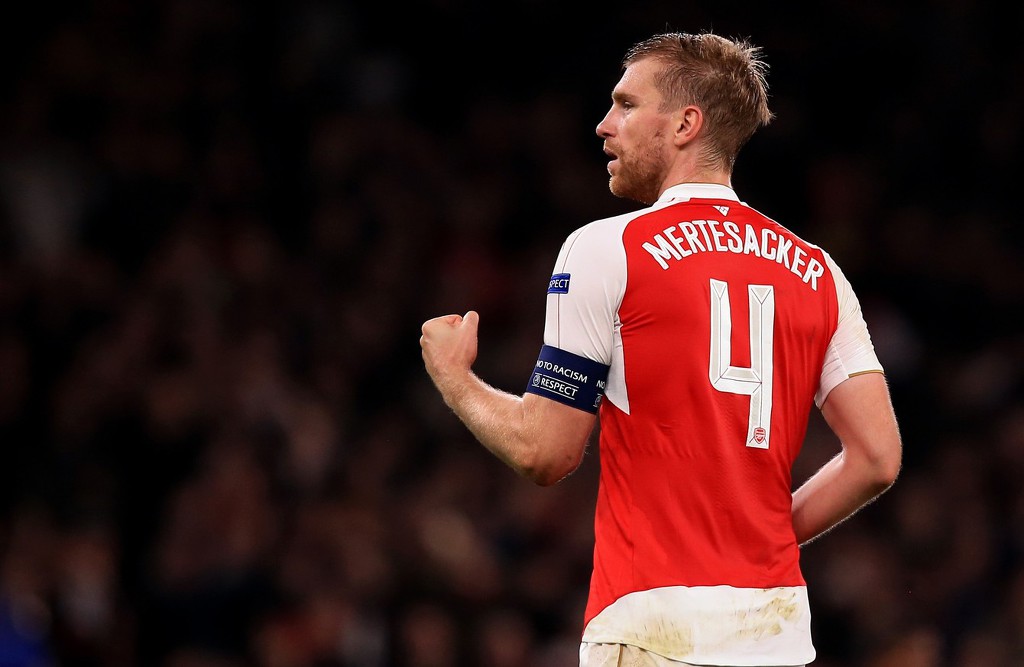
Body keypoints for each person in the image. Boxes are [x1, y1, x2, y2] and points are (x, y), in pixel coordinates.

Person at [419, 31, 902, 667]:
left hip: (651, 623)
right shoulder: (818, 271)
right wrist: (763, 537)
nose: (604, 125)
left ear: (684, 125)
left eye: (626, 105)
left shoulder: (605, 249)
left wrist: (455, 376)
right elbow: (877, 459)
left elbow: (545, 452)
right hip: (776, 634)